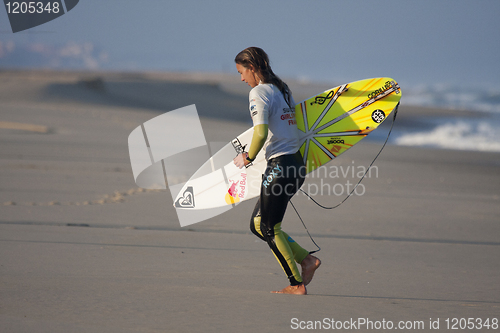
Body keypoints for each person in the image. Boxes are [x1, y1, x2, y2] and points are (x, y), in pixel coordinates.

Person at [233, 47, 321, 295]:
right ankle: (307, 261)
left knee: (270, 227)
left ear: (252, 68)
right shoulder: (281, 89)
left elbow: (260, 133)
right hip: (295, 165)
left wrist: (247, 157)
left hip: (280, 167)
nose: (241, 79)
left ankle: (296, 284)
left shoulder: (258, 93)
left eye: (241, 72)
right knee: (258, 224)